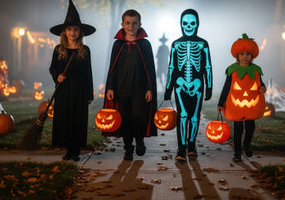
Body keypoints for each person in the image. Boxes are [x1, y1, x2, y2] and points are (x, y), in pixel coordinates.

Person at [104, 9, 157, 161]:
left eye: (134, 23)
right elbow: (112, 68)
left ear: (140, 24)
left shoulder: (145, 45)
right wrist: (110, 87)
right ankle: (128, 147)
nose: (131, 26)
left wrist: (149, 88)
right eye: (127, 23)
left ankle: (139, 142)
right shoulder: (118, 45)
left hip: (139, 90)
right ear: (122, 25)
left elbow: (150, 68)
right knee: (125, 119)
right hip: (121, 89)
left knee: (138, 118)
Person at [49, 0, 96, 161]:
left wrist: (89, 94)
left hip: (79, 90)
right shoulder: (58, 50)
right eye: (69, 29)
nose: (72, 32)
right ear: (65, 32)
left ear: (80, 32)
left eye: (75, 29)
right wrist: (57, 76)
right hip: (64, 90)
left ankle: (76, 150)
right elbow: (52, 68)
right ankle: (68, 149)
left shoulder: (85, 50)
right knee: (65, 118)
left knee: (77, 119)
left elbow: (88, 73)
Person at [164, 9, 213, 162]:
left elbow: (208, 67)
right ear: (181, 24)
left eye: (192, 23)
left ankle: (191, 146)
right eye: (185, 23)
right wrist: (168, 88)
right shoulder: (176, 44)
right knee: (182, 115)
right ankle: (181, 148)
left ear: (197, 24)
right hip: (180, 85)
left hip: (198, 84)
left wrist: (209, 87)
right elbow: (171, 67)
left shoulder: (203, 44)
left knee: (194, 116)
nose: (189, 26)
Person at [217, 34, 266, 162]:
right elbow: (226, 87)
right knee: (238, 130)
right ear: (237, 56)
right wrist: (221, 102)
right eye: (242, 54)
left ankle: (247, 144)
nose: (245, 57)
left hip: (251, 105)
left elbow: (260, 83)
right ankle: (237, 152)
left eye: (248, 54)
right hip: (236, 106)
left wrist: (263, 88)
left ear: (252, 56)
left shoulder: (256, 71)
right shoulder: (232, 71)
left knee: (250, 128)